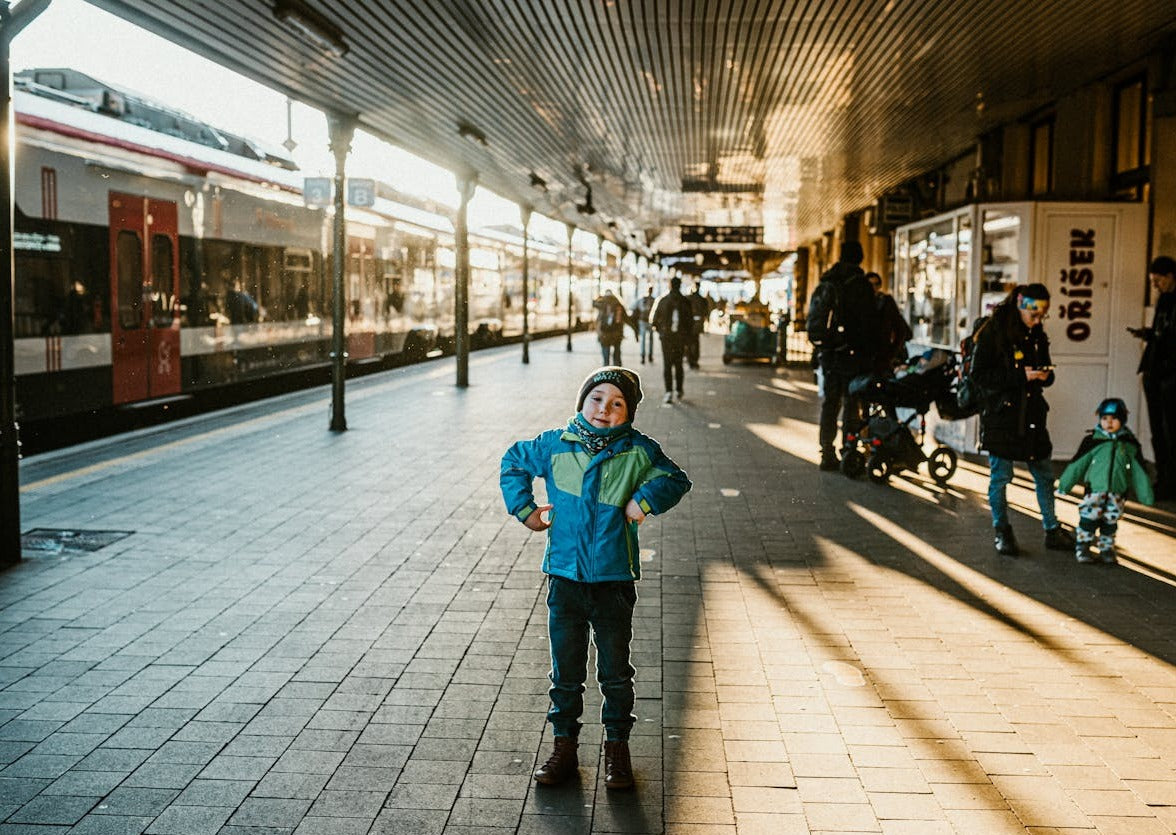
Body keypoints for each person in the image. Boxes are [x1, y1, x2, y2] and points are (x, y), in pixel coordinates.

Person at [500, 367, 691, 789]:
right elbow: (513, 461)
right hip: (564, 580)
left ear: (629, 413)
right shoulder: (555, 445)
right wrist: (525, 510)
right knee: (565, 673)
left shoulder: (638, 451)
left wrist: (643, 501)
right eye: (597, 398)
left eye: (617, 403)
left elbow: (675, 479)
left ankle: (617, 750)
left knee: (615, 673)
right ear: (582, 402)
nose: (604, 409)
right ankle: (564, 748)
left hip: (612, 581)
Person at [970, 283, 1075, 556]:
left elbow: (1046, 371)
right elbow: (978, 375)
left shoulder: (1036, 333)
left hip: (1031, 414)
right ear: (1020, 303)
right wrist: (1021, 377)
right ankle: (1002, 531)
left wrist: (1044, 374)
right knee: (1001, 476)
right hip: (1002, 416)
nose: (1038, 320)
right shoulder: (993, 331)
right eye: (1034, 314)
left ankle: (1052, 530)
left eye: (1042, 316)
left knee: (1043, 473)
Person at [1058, 398, 1154, 564]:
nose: (1109, 423)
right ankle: (1083, 545)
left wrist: (1146, 495)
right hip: (1094, 491)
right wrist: (1064, 485)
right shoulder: (1093, 441)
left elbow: (1139, 471)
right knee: (1088, 519)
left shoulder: (1129, 444)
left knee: (1110, 521)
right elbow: (1077, 465)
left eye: (1114, 419)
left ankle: (1106, 548)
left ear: (1122, 420)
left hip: (1117, 493)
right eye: (1104, 418)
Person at [814, 241, 877, 470]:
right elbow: (870, 324)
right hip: (853, 355)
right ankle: (848, 450)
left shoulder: (827, 281)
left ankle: (826, 453)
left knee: (830, 404)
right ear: (860, 258)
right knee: (851, 403)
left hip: (829, 354)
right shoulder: (860, 285)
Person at [1128, 255, 1176, 500]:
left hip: (1168, 374)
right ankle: (1165, 479)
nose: (1155, 286)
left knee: (1168, 431)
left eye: (1158, 281)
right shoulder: (1164, 301)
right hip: (1157, 372)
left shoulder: (1170, 302)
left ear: (1170, 276)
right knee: (1159, 430)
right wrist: (1147, 334)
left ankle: (1168, 481)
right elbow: (1163, 335)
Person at [650, 276, 695, 403]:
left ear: (670, 285)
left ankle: (668, 392)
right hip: (680, 339)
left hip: (666, 339)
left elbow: (653, 321)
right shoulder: (686, 301)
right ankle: (679, 390)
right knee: (679, 364)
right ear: (680, 285)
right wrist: (687, 339)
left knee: (667, 365)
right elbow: (690, 323)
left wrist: (661, 332)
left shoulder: (663, 300)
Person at [865, 271, 912, 374]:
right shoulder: (861, 303)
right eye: (870, 285)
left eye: (876, 284)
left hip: (883, 352)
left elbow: (901, 329)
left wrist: (892, 352)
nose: (873, 288)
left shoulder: (886, 302)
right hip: (866, 353)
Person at [592, 290, 631, 365]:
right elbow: (627, 319)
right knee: (617, 356)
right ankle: (617, 372)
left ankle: (606, 371)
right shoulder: (619, 304)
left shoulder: (602, 303)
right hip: (617, 333)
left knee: (606, 358)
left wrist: (599, 297)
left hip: (604, 334)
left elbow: (593, 303)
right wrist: (636, 331)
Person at [686, 282, 709, 368]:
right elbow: (706, 312)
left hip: (690, 323)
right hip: (698, 323)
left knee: (690, 342)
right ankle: (694, 359)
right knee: (695, 341)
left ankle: (691, 359)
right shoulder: (702, 300)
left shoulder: (688, 298)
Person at [631, 286, 656, 364]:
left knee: (645, 339)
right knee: (648, 339)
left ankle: (645, 356)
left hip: (645, 321)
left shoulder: (643, 299)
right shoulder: (653, 300)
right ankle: (648, 356)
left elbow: (633, 307)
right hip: (647, 321)